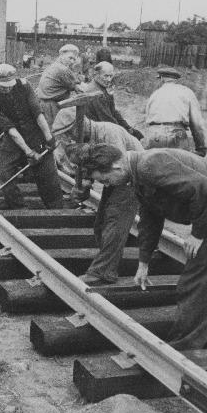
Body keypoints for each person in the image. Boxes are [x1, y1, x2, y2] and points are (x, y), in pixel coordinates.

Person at [67, 143, 207, 349]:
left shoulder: (150, 165)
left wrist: (197, 234)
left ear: (117, 167)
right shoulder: (137, 176)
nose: (108, 184)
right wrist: (144, 262)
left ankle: (185, 347)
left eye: (105, 180)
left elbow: (202, 188)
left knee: (198, 280)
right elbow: (150, 217)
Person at [52, 109, 142, 286]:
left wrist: (89, 180)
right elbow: (93, 164)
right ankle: (108, 262)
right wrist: (83, 185)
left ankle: (103, 272)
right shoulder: (88, 137)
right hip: (116, 180)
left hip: (131, 179)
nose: (68, 138)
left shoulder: (109, 133)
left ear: (81, 126)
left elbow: (119, 169)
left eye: (69, 133)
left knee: (114, 222)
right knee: (100, 224)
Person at [0, 64, 65, 210]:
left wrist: (49, 138)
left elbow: (38, 114)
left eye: (9, 85)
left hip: (36, 133)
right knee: (4, 173)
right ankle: (18, 206)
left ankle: (56, 207)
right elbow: (10, 129)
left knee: (48, 174)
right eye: (3, 86)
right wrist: (28, 152)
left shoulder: (25, 86)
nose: (7, 89)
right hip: (13, 138)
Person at [143, 66, 207, 155]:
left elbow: (147, 122)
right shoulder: (186, 92)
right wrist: (201, 147)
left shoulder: (154, 94)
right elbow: (197, 123)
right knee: (179, 166)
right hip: (176, 136)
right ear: (176, 80)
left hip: (154, 136)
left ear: (161, 79)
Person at [85, 62, 144, 140]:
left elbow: (113, 112)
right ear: (96, 74)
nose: (109, 79)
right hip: (94, 134)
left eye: (111, 76)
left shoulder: (101, 87)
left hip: (101, 127)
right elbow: (108, 119)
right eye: (106, 76)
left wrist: (129, 128)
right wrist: (127, 134)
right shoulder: (96, 92)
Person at [36, 44, 86, 127]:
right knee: (56, 130)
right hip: (51, 106)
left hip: (44, 102)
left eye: (74, 59)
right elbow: (77, 88)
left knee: (48, 130)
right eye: (70, 58)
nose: (72, 61)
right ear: (61, 55)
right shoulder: (62, 69)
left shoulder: (54, 65)